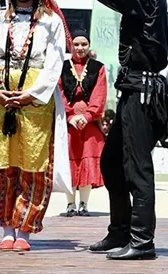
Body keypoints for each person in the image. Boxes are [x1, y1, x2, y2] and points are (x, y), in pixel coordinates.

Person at [50, 0, 168, 261]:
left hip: (144, 94)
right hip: (134, 91)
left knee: (137, 170)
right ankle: (120, 232)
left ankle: (143, 241)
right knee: (112, 164)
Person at [0, 0, 70, 253]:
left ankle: (25, 230)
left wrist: (32, 94)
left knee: (32, 163)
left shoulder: (51, 22)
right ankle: (6, 228)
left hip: (34, 98)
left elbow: (54, 63)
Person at [59, 29, 108, 217]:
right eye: (76, 44)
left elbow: (100, 94)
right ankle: (70, 203)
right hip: (67, 123)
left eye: (84, 44)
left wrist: (87, 116)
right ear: (70, 46)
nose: (80, 48)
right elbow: (59, 93)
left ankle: (84, 204)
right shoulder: (61, 67)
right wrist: (70, 116)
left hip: (90, 124)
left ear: (89, 46)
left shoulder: (98, 67)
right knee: (69, 163)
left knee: (87, 162)